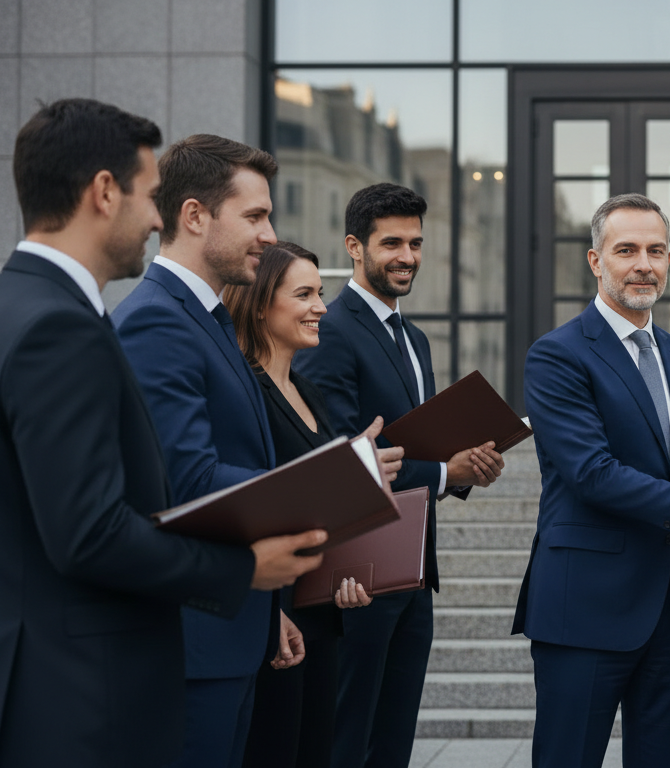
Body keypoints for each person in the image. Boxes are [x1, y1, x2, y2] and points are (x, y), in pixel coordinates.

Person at [0, 99, 323, 767]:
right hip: (83, 687)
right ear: (103, 192)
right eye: (150, 198)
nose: (155, 219)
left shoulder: (23, 304)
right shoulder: (61, 327)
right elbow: (91, 531)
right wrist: (244, 569)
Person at [513, 193, 670, 768]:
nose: (643, 264)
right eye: (626, 250)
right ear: (595, 261)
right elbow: (593, 474)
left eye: (656, 250)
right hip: (584, 607)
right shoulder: (556, 356)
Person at [113, 134, 313, 768]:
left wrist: (269, 609)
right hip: (190, 642)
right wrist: (325, 485)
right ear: (195, 216)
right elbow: (184, 475)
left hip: (230, 628)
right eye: (254, 216)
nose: (269, 234)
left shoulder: (207, 317)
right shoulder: (156, 319)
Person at [294, 182, 505, 768]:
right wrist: (442, 471)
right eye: (391, 243)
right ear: (354, 248)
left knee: (393, 741)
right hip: (355, 574)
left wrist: (467, 468)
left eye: (415, 243)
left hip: (413, 573)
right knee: (348, 738)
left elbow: (422, 442)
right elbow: (336, 454)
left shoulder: (414, 339)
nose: (407, 256)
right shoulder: (329, 329)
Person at [223, 242, 400, 768]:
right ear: (259, 305)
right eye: (304, 294)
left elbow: (317, 504)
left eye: (320, 293)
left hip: (321, 612)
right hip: (275, 620)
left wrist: (361, 477)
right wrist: (270, 613)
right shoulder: (243, 391)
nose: (322, 306)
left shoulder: (307, 388)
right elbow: (246, 509)